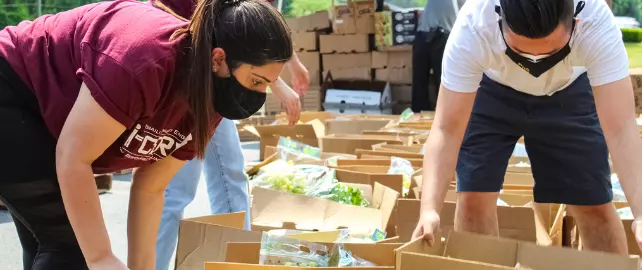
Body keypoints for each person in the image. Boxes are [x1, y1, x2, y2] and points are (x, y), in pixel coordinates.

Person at [0, 0, 294, 269]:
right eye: (256, 81)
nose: (259, 95)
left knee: (51, 244)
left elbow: (151, 187)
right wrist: (102, 257)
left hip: (50, 119)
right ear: (218, 59)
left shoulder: (211, 102)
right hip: (12, 89)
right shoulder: (145, 60)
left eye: (267, 85)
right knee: (71, 249)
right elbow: (74, 156)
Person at [413, 0, 642, 254]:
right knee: (473, 197)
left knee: (592, 202)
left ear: (575, 25)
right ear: (499, 23)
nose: (536, 61)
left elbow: (621, 127)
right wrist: (429, 209)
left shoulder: (595, 23)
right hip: (492, 89)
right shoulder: (474, 26)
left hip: (568, 91)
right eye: (520, 51)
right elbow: (447, 128)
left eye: (551, 52)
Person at [148, 1, 309, 269]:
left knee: (230, 173)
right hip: (188, 68)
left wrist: (291, 63)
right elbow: (245, 31)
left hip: (217, 72)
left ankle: (239, 262)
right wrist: (275, 82)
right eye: (259, 82)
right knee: (174, 190)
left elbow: (259, 23)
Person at [412, 0, 465, 112]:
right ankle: (418, 115)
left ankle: (443, 116)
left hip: (444, 36)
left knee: (443, 81)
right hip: (424, 33)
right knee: (419, 81)